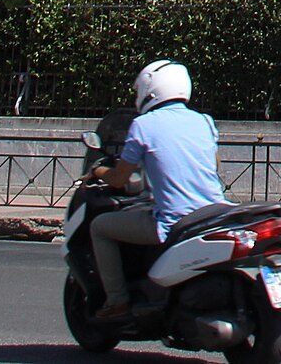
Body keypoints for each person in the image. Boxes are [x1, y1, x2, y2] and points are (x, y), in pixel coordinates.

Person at [90, 59, 229, 324]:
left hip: (174, 221)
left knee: (99, 227)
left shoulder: (144, 125)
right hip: (214, 214)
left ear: (149, 90)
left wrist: (97, 172)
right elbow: (214, 164)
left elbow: (119, 178)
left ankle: (117, 301)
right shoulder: (204, 121)